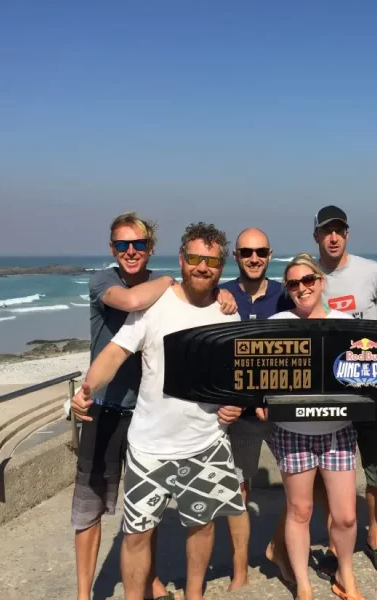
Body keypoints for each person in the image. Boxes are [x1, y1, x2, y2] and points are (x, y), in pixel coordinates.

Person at [71, 222, 246, 600]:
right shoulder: (154, 306)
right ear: (182, 260)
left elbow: (236, 376)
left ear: (222, 266)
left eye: (212, 262)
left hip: (207, 443)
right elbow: (115, 353)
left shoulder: (228, 314)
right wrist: (86, 389)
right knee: (136, 535)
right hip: (149, 448)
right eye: (196, 258)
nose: (203, 267)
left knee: (202, 526)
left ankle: (194, 595)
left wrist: (235, 403)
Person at [72, 212, 175, 600]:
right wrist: (169, 280)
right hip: (104, 407)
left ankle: (147, 579)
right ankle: (85, 594)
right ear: (112, 248)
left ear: (150, 248)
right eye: (122, 245)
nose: (130, 252)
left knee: (149, 504)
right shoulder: (104, 281)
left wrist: (226, 296)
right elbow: (132, 301)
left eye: (139, 245)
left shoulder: (162, 287)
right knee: (90, 506)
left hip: (148, 411)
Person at [257, 253, 362, 600]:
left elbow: (364, 371)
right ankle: (303, 584)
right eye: (293, 283)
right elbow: (259, 372)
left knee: (345, 516)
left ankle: (346, 573)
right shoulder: (277, 323)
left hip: (338, 430)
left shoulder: (345, 321)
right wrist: (260, 401)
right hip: (292, 432)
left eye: (308, 280)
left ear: (320, 281)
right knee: (300, 511)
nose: (302, 288)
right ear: (287, 289)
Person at [312, 205, 377, 579]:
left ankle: (375, 536)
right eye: (326, 231)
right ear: (316, 235)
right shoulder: (308, 276)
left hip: (373, 388)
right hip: (329, 392)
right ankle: (336, 540)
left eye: (339, 231)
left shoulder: (370, 271)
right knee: (329, 470)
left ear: (347, 234)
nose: (333, 237)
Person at [219, 227, 294, 589]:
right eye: (246, 252)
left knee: (301, 490)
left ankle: (278, 548)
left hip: (281, 413)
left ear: (269, 254)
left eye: (261, 252)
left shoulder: (285, 295)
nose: (254, 258)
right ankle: (240, 568)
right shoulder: (222, 295)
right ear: (236, 255)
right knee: (239, 491)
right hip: (241, 417)